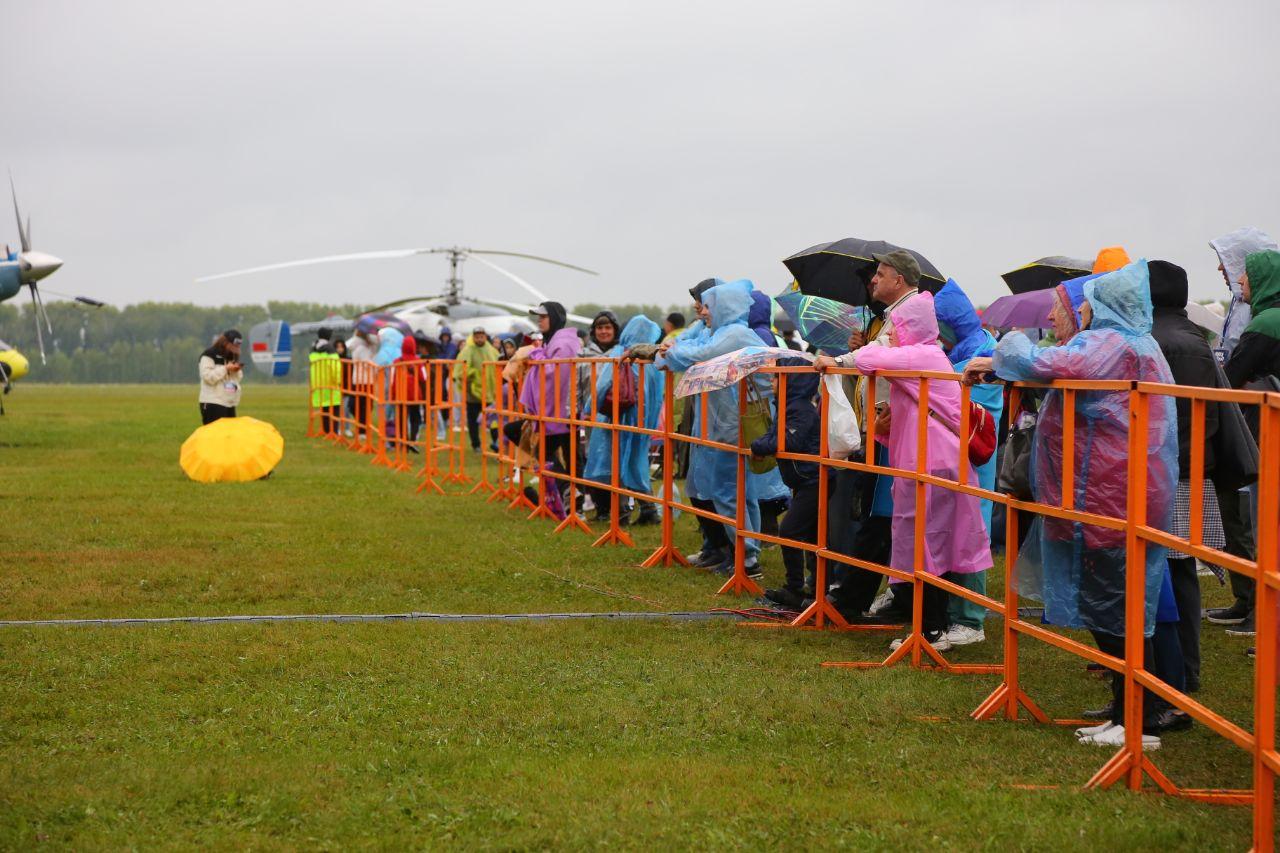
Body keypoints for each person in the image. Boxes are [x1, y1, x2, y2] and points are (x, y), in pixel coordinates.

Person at [967, 260, 1179, 749]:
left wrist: (1009, 339)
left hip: (1108, 492)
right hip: (1108, 489)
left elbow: (1045, 364)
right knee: (1113, 606)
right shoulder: (1125, 343)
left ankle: (1138, 720)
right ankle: (1129, 711)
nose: (1071, 315)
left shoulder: (1111, 344)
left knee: (1118, 608)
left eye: (1076, 306)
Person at [844, 292, 993, 651]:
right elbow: (908, 419)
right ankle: (927, 627)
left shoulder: (922, 354)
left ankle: (932, 630)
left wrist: (857, 350)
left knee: (931, 548)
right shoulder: (922, 357)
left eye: (895, 327)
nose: (891, 335)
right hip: (923, 463)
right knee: (922, 547)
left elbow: (869, 358)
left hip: (934, 466)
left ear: (911, 327)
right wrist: (882, 426)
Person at [814, 251, 920, 621]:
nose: (874, 280)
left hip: (893, 431)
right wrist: (857, 354)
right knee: (880, 515)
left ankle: (860, 599)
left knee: (882, 515)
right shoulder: (891, 316)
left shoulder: (907, 314)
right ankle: (874, 597)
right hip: (883, 428)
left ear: (899, 279)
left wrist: (844, 360)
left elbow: (887, 353)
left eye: (880, 274)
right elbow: (879, 353)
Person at [1147, 259, 1229, 692]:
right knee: (1175, 572)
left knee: (1173, 574)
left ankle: (1179, 673)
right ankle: (1178, 672)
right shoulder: (1188, 337)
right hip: (1184, 467)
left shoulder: (1160, 341)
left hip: (1171, 470)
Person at [655, 279, 772, 578]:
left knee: (731, 492)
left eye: (708, 305)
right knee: (733, 493)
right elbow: (686, 350)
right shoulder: (721, 333)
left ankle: (747, 560)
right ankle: (743, 556)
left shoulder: (735, 335)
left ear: (724, 307)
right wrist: (670, 352)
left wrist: (670, 352)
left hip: (730, 425)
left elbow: (695, 355)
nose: (703, 311)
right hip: (721, 422)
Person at [1203, 229, 1276, 636]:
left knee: (1251, 518)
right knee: (1239, 515)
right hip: (1247, 424)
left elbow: (1235, 372)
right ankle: (1246, 599)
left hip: (1257, 428)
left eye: (1236, 268)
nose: (1225, 271)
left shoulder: (1264, 321)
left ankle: (1258, 609)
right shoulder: (1249, 309)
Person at [933, 279, 1003, 646]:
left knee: (973, 535)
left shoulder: (984, 356)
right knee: (955, 533)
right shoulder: (963, 351)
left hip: (976, 460)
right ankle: (952, 613)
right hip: (954, 460)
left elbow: (972, 408)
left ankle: (971, 620)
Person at [751, 358, 824, 608]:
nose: (771, 381)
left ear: (790, 379)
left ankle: (796, 588)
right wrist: (761, 444)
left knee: (790, 531)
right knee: (812, 536)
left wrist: (759, 447)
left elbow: (787, 441)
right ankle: (814, 588)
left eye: (776, 377)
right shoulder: (785, 406)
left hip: (815, 481)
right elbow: (772, 436)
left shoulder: (800, 409)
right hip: (805, 481)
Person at [584, 315, 666, 525]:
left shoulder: (621, 353)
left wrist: (589, 408)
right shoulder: (654, 358)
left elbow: (603, 384)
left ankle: (621, 513)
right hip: (644, 418)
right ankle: (648, 509)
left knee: (617, 462)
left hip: (619, 415)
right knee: (636, 461)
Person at [453, 327, 500, 451]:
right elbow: (460, 370)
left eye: (481, 336)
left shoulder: (492, 351)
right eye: (477, 336)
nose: (479, 338)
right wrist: (473, 374)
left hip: (490, 394)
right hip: (473, 393)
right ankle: (476, 444)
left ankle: (496, 443)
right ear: (473, 337)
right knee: (473, 421)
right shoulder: (467, 351)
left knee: (494, 420)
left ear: (485, 336)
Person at [198, 329, 243, 424]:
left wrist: (236, 371)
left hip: (229, 403)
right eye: (235, 345)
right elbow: (208, 377)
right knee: (213, 436)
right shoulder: (209, 355)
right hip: (212, 403)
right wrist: (226, 368)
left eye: (238, 346)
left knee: (229, 436)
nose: (237, 348)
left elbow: (237, 380)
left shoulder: (231, 356)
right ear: (226, 343)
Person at [394, 333, 427, 451]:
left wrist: (393, 395)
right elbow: (424, 378)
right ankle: (413, 440)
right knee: (415, 418)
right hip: (414, 395)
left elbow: (393, 379)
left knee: (401, 419)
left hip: (400, 394)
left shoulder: (397, 361)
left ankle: (403, 442)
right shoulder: (419, 361)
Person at [345, 330, 378, 439]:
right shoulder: (362, 348)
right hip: (364, 381)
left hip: (360, 380)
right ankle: (362, 430)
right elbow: (368, 364)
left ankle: (362, 429)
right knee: (363, 406)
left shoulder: (360, 348)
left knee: (360, 406)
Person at [309, 327, 342, 435]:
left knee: (324, 409)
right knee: (335, 408)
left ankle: (326, 430)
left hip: (318, 384)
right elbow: (335, 366)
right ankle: (334, 431)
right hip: (331, 383)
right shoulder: (330, 349)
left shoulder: (313, 348)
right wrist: (338, 380)